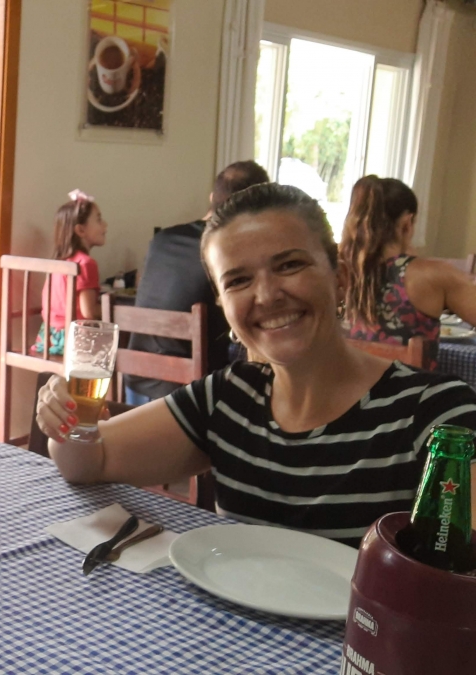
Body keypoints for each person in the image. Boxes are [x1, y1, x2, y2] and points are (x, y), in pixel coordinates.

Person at [36, 183, 476, 547]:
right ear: (223, 305)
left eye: (289, 265)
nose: (266, 295)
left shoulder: (438, 417)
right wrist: (71, 421)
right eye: (238, 280)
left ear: (340, 278)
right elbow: (88, 463)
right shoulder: (229, 398)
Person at [123, 161, 270, 404]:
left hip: (135, 385)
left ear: (212, 197)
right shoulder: (226, 250)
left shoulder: (162, 239)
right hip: (189, 398)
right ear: (256, 208)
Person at [341, 175, 476, 349]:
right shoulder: (431, 275)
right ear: (407, 223)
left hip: (345, 367)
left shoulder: (340, 271)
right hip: (404, 368)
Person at [35, 190, 107, 356]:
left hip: (48, 339)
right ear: (80, 230)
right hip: (75, 342)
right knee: (122, 350)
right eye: (99, 219)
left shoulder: (58, 262)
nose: (105, 225)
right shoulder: (86, 263)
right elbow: (89, 312)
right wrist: (110, 307)